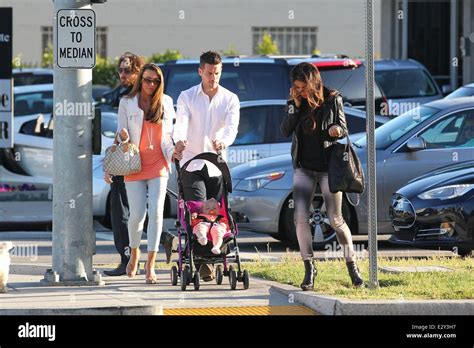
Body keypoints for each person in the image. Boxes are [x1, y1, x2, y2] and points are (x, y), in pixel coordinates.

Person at [280, 62, 364, 290]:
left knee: (336, 219)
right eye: (296, 88)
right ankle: (309, 268)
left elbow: (344, 128)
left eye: (303, 87)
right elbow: (285, 130)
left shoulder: (332, 98)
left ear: (313, 82)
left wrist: (336, 130)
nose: (300, 91)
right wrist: (295, 106)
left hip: (329, 166)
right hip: (303, 167)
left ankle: (352, 267)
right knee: (300, 217)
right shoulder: (293, 102)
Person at [103, 53, 177, 277]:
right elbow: (121, 136)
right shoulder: (127, 102)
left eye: (155, 81)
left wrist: (173, 153)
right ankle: (134, 254)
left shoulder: (166, 102)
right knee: (136, 215)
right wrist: (124, 136)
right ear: (140, 80)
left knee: (156, 213)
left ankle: (151, 265)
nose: (151, 85)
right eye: (147, 80)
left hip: (158, 164)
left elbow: (168, 136)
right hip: (134, 164)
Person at [173, 51, 240, 281]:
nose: (214, 78)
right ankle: (202, 262)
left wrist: (224, 141)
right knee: (199, 211)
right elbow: (180, 121)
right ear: (200, 71)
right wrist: (179, 139)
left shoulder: (230, 99)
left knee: (217, 214)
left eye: (218, 73)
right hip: (191, 165)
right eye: (210, 73)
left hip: (217, 166)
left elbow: (232, 127)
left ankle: (214, 256)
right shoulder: (187, 96)